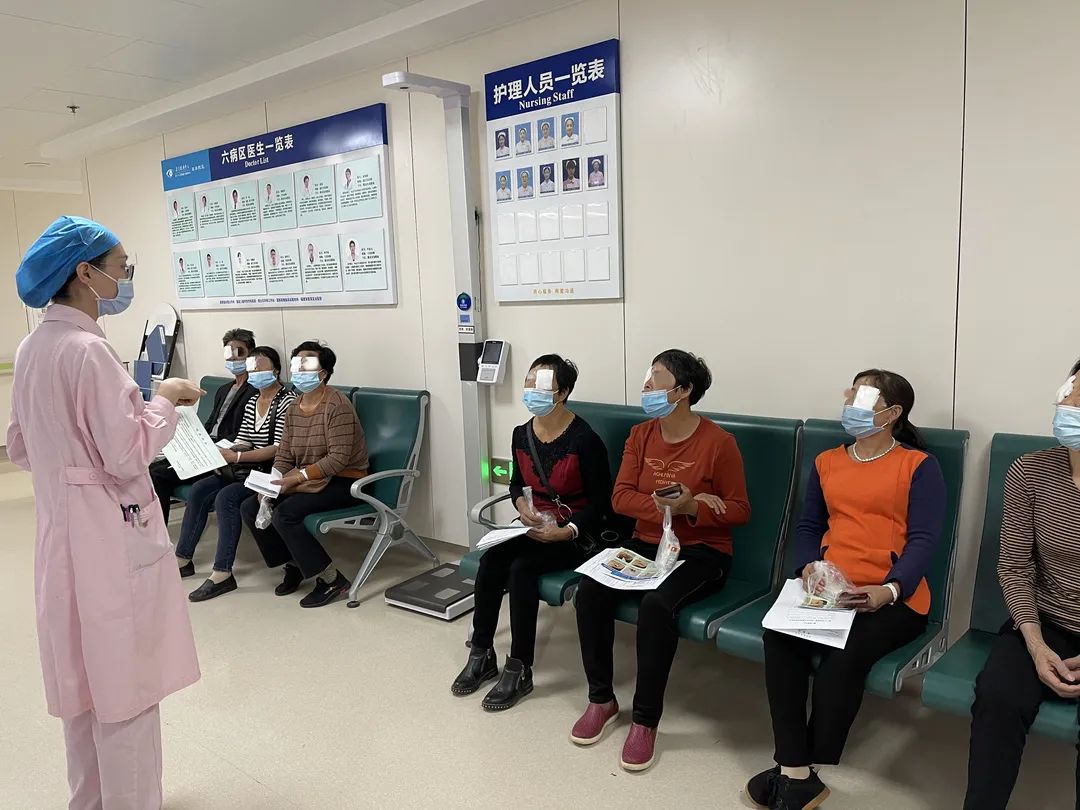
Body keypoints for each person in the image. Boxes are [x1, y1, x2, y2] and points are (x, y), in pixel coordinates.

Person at [8, 215, 203, 808]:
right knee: (126, 688)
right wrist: (163, 402)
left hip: (61, 536)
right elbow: (125, 454)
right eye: (121, 268)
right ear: (85, 273)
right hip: (108, 538)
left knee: (82, 686)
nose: (126, 278)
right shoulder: (89, 351)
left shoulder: (33, 347)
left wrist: (67, 461)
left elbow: (19, 446)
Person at [746, 369, 945, 810]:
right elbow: (809, 525)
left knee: (844, 655)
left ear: (892, 413)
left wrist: (889, 590)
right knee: (778, 639)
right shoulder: (827, 462)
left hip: (895, 599)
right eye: (850, 392)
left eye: (862, 396)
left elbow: (924, 540)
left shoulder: (918, 466)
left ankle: (801, 765)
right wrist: (808, 567)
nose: (849, 400)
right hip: (829, 593)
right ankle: (796, 769)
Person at [572, 350, 751, 772]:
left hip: (703, 551)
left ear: (684, 391)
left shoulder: (719, 443)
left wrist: (695, 509)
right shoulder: (640, 435)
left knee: (657, 605)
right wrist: (673, 506)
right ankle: (601, 700)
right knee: (590, 590)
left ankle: (645, 721)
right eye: (647, 376)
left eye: (657, 377)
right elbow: (621, 498)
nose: (647, 385)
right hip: (646, 543)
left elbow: (740, 510)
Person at [453, 356, 613, 710]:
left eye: (540, 386)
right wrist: (521, 506)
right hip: (534, 525)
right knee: (492, 561)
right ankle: (481, 653)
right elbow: (516, 483)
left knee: (522, 569)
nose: (531, 392)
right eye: (528, 384)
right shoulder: (521, 434)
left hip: (576, 533)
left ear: (563, 392)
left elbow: (603, 502)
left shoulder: (585, 440)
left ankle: (520, 666)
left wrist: (567, 530)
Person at [964, 365, 1080, 809]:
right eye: (1070, 392)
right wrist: (1034, 644)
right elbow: (1014, 567)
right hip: (1044, 620)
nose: (1068, 405)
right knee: (998, 696)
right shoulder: (1031, 471)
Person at [240, 341, 369, 608]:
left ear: (323, 373)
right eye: (297, 363)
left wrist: (297, 478)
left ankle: (332, 580)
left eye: (307, 363)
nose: (299, 369)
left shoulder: (337, 405)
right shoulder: (294, 407)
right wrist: (273, 481)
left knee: (286, 514)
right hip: (310, 477)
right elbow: (285, 452)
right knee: (251, 506)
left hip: (345, 480)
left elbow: (338, 459)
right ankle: (295, 563)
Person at [180, 348, 297, 602]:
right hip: (245, 468)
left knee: (227, 498)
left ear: (276, 370)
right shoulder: (253, 400)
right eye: (252, 369)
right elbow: (244, 438)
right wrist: (222, 453)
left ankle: (222, 573)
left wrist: (238, 457)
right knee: (200, 489)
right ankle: (183, 559)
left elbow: (279, 448)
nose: (255, 373)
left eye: (260, 368)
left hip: (271, 470)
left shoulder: (287, 401)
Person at [149, 329, 258, 524]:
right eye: (229, 352)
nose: (233, 357)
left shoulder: (255, 390)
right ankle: (153, 528)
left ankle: (159, 531)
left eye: (239, 352)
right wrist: (197, 440)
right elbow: (211, 422)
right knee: (152, 467)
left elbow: (244, 432)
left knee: (159, 474)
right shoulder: (224, 389)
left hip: (224, 452)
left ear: (251, 355)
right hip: (205, 447)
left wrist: (211, 447)